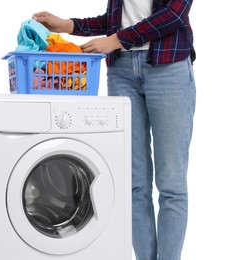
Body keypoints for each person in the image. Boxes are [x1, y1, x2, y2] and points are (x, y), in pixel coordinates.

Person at [33, 0, 196, 259]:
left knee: (171, 185)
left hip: (168, 70)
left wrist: (117, 40)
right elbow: (115, 20)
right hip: (121, 71)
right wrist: (69, 25)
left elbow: (174, 14)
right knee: (134, 184)